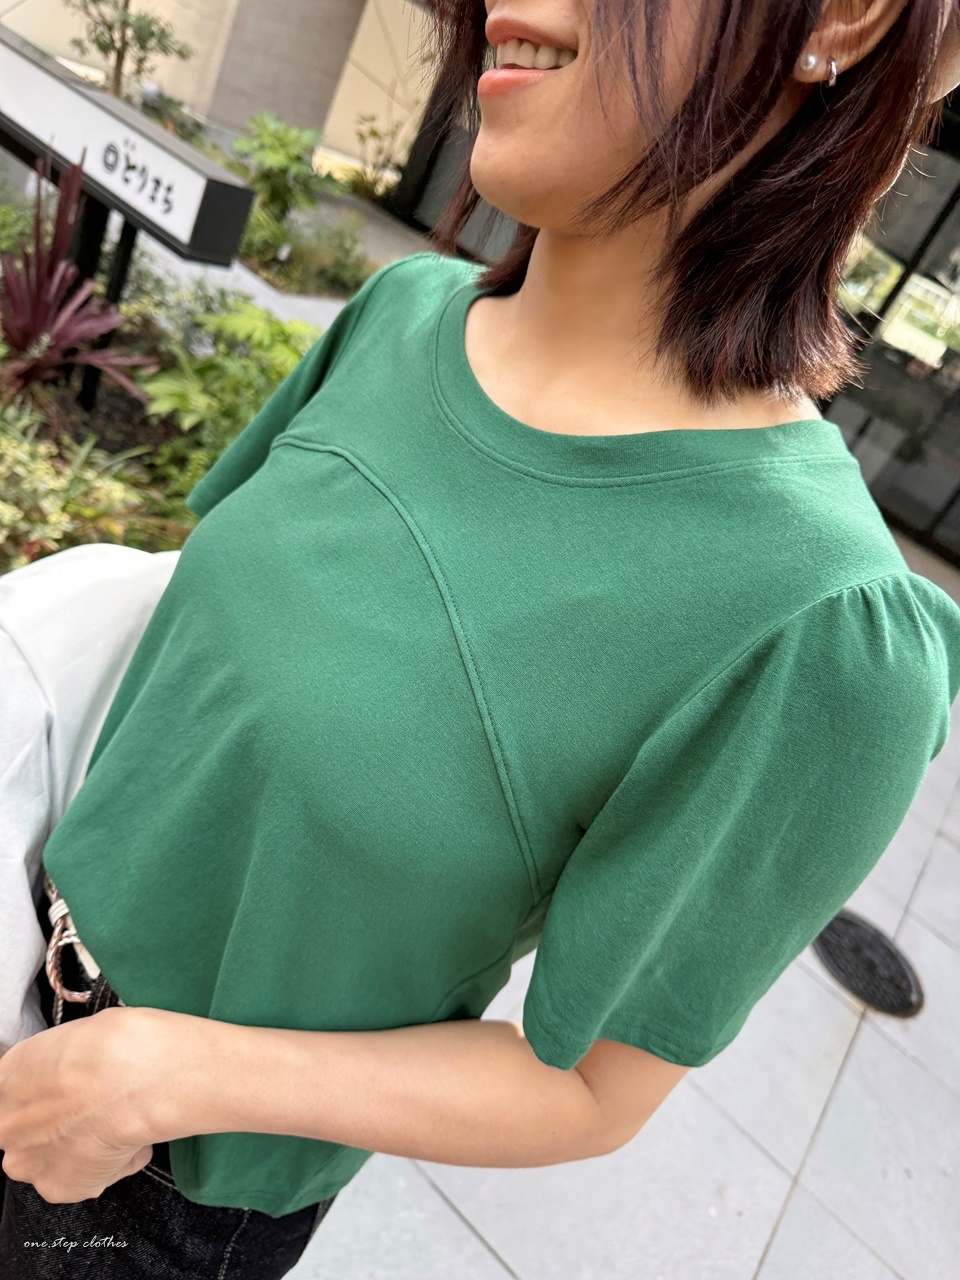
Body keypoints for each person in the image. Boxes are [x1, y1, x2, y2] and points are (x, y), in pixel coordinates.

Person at [4, 0, 960, 1275]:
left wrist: (161, 1073)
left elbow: (592, 1086)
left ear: (842, 14)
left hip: (154, 1190)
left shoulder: (821, 624)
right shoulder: (398, 314)